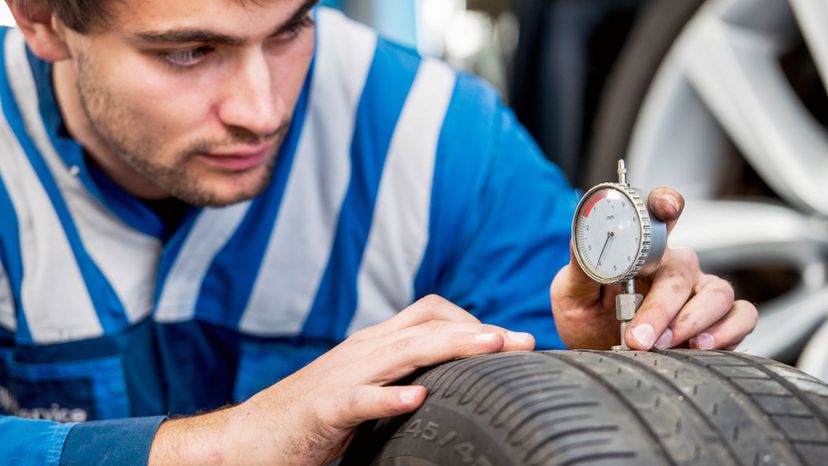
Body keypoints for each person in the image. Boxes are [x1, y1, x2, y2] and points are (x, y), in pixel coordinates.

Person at [0, 0, 757, 464]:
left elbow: (571, 419)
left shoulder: (432, 137)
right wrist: (219, 449)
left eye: (293, 26)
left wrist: (605, 366)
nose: (262, 111)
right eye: (189, 51)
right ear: (40, 18)